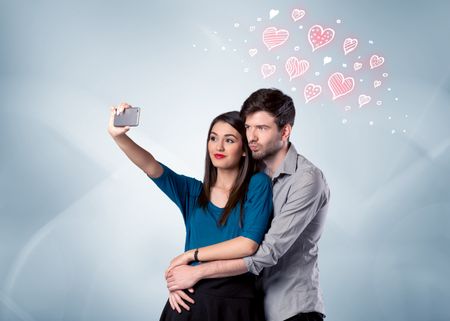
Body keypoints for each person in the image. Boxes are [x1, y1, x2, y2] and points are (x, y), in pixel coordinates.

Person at [165, 88, 331, 321]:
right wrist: (180, 281)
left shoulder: (306, 179)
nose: (251, 136)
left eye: (261, 128)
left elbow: (266, 253)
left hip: (290, 309)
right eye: (248, 127)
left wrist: (196, 269)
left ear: (285, 131)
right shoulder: (252, 174)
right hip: (250, 307)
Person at [108, 104, 273, 321]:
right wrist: (118, 137)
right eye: (213, 138)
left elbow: (248, 244)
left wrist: (190, 256)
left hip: (237, 306)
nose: (219, 146)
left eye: (229, 140)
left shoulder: (258, 184)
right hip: (189, 304)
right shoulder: (193, 192)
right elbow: (150, 165)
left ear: (244, 150)